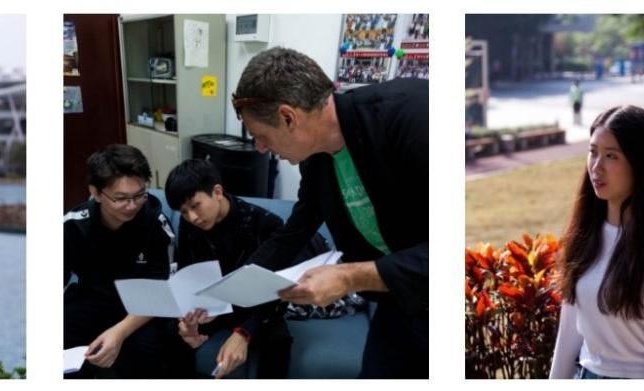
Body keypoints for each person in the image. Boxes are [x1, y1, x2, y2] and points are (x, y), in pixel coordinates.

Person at [231, 47, 428, 378]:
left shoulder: (413, 115)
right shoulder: (317, 159)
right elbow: (294, 233)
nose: (261, 148)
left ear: (288, 117)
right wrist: (231, 292)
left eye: (261, 136)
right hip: (398, 301)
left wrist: (350, 277)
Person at [166, 159, 329, 379]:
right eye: (183, 212)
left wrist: (244, 331)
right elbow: (188, 273)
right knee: (171, 331)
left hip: (259, 305)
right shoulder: (189, 224)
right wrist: (190, 317)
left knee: (278, 341)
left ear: (217, 192)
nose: (192, 217)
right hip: (215, 305)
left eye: (195, 206)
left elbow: (277, 289)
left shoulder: (264, 222)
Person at [548, 105, 644, 379]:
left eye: (611, 156)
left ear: (640, 163)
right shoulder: (585, 235)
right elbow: (568, 334)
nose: (596, 167)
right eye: (593, 152)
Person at [63, 144, 185, 378]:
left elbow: (162, 292)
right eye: (121, 198)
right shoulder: (73, 225)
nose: (132, 206)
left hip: (142, 308)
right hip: (94, 300)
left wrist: (118, 334)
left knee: (145, 351)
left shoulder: (157, 226)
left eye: (139, 195)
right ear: (96, 193)